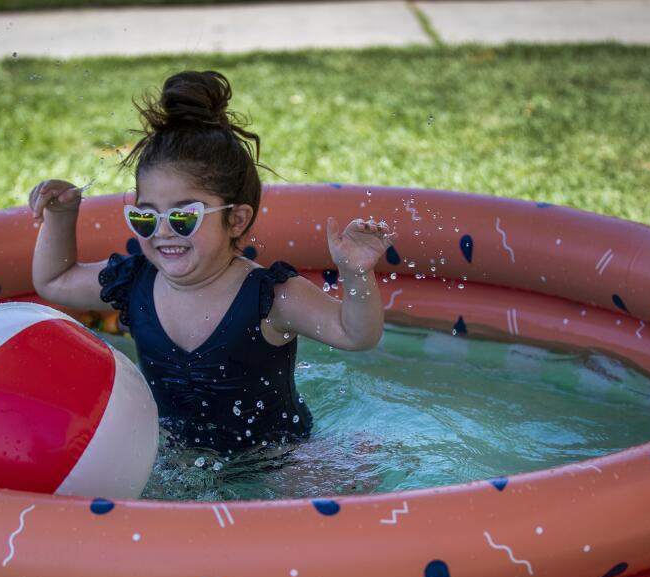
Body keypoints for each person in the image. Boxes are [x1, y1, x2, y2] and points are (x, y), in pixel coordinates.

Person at [28, 69, 395, 455]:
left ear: (235, 220)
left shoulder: (270, 298)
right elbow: (54, 281)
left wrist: (356, 272)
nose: (163, 232)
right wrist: (62, 217)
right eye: (145, 217)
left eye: (184, 217)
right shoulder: (133, 281)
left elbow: (357, 335)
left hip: (276, 460)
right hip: (177, 459)